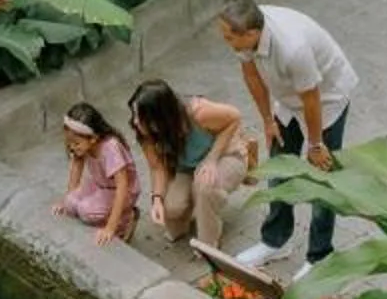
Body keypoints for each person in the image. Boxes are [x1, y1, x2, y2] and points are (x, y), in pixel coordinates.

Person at [216, 0, 358, 265]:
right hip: (289, 97)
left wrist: (315, 145)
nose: (226, 43)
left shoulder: (293, 49)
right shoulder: (245, 34)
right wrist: (268, 120)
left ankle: (320, 257)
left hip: (326, 99)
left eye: (229, 38)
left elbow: (312, 99)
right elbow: (251, 75)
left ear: (251, 34)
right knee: (280, 166)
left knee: (323, 178)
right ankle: (276, 240)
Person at [128, 79, 251, 251]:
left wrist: (212, 159)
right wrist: (156, 199)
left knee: (204, 187)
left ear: (159, 116)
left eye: (139, 116)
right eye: (134, 114)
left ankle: (208, 245)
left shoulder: (198, 112)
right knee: (171, 207)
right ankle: (192, 214)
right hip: (186, 167)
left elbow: (234, 118)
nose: (134, 121)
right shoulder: (145, 132)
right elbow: (157, 168)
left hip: (225, 154)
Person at [51, 102, 136, 247]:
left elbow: (123, 186)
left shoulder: (110, 148)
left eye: (76, 143)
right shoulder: (82, 146)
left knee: (86, 211)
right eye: (69, 142)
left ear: (93, 138)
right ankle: (106, 215)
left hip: (121, 191)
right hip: (100, 184)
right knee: (71, 204)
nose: (71, 147)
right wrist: (66, 201)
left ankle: (125, 220)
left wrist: (110, 227)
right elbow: (76, 168)